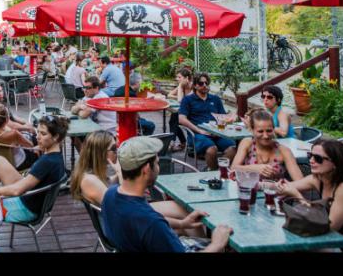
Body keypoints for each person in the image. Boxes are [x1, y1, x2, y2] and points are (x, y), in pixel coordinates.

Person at [99, 136, 233, 252]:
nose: (158, 168)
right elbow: (150, 223)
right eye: (156, 163)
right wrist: (217, 244)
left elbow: (143, 223)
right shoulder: (152, 223)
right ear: (146, 169)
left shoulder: (111, 194)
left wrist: (182, 223)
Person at [71, 131, 204, 236]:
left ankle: (197, 242)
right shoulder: (89, 180)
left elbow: (109, 186)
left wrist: (117, 175)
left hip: (123, 219)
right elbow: (122, 204)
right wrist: (121, 174)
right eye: (114, 148)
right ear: (100, 153)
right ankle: (203, 244)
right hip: (120, 228)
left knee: (182, 213)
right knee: (183, 213)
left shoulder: (90, 175)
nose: (117, 151)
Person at [0, 115, 67, 223]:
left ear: (56, 137)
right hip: (32, 198)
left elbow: (17, 191)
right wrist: (42, 148)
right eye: (38, 132)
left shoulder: (46, 162)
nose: (38, 137)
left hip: (25, 208)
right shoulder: (56, 156)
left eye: (43, 134)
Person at [275, 139, 343, 250]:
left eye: (318, 158)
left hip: (340, 243)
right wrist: (276, 185)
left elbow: (329, 228)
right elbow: (287, 186)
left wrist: (298, 196)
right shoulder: (318, 179)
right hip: (319, 238)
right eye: (310, 155)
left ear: (335, 163)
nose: (311, 161)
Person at [178, 73, 237, 170]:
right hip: (197, 134)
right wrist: (199, 130)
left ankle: (218, 170)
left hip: (217, 133)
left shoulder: (215, 99)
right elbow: (181, 119)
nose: (205, 85)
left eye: (206, 83)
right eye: (201, 83)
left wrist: (229, 119)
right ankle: (213, 172)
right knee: (211, 150)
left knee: (233, 148)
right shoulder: (188, 100)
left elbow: (222, 117)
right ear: (195, 85)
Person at [231, 109, 304, 181]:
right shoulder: (247, 143)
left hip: (275, 191)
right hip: (248, 191)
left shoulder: (284, 151)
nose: (265, 136)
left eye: (269, 131)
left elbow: (300, 182)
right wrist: (254, 168)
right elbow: (233, 168)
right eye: (260, 131)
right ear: (252, 130)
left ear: (273, 129)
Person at [0, 103, 39, 171]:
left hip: (0, 161)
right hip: (17, 163)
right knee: (37, 148)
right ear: (7, 119)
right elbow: (30, 146)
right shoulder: (13, 134)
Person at [113, 69, 155, 136]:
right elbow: (136, 110)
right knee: (151, 125)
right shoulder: (131, 94)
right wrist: (147, 100)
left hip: (116, 118)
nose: (140, 85)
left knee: (143, 120)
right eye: (140, 83)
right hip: (126, 120)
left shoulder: (120, 89)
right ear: (137, 83)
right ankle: (143, 141)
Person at [168, 68, 194, 150]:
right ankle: (176, 142)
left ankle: (175, 142)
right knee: (174, 119)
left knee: (174, 119)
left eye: (179, 77)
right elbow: (169, 94)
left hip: (194, 113)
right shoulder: (182, 86)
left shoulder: (194, 87)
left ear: (186, 78)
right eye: (177, 77)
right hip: (184, 112)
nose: (177, 79)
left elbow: (180, 101)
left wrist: (179, 88)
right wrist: (180, 92)